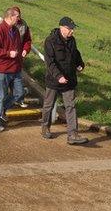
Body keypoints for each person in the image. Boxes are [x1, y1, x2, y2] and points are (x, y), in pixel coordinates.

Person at [40, 17, 88, 145]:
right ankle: (45, 127)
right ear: (61, 27)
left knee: (71, 106)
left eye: (72, 29)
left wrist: (80, 65)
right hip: (54, 80)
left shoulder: (72, 41)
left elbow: (76, 55)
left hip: (69, 80)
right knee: (48, 105)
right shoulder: (50, 41)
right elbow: (49, 62)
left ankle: (73, 134)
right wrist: (58, 76)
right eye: (69, 28)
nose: (72, 31)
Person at [0, 7, 24, 131]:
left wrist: (18, 59)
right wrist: (8, 53)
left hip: (15, 68)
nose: (19, 19)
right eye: (17, 16)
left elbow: (18, 47)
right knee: (0, 96)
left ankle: (1, 109)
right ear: (10, 16)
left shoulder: (15, 30)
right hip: (1, 69)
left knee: (19, 94)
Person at [12, 7, 32, 108]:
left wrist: (25, 50)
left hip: (18, 57)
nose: (18, 18)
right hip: (6, 57)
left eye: (19, 16)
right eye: (16, 16)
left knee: (18, 78)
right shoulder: (4, 23)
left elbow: (27, 40)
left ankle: (19, 98)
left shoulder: (24, 24)